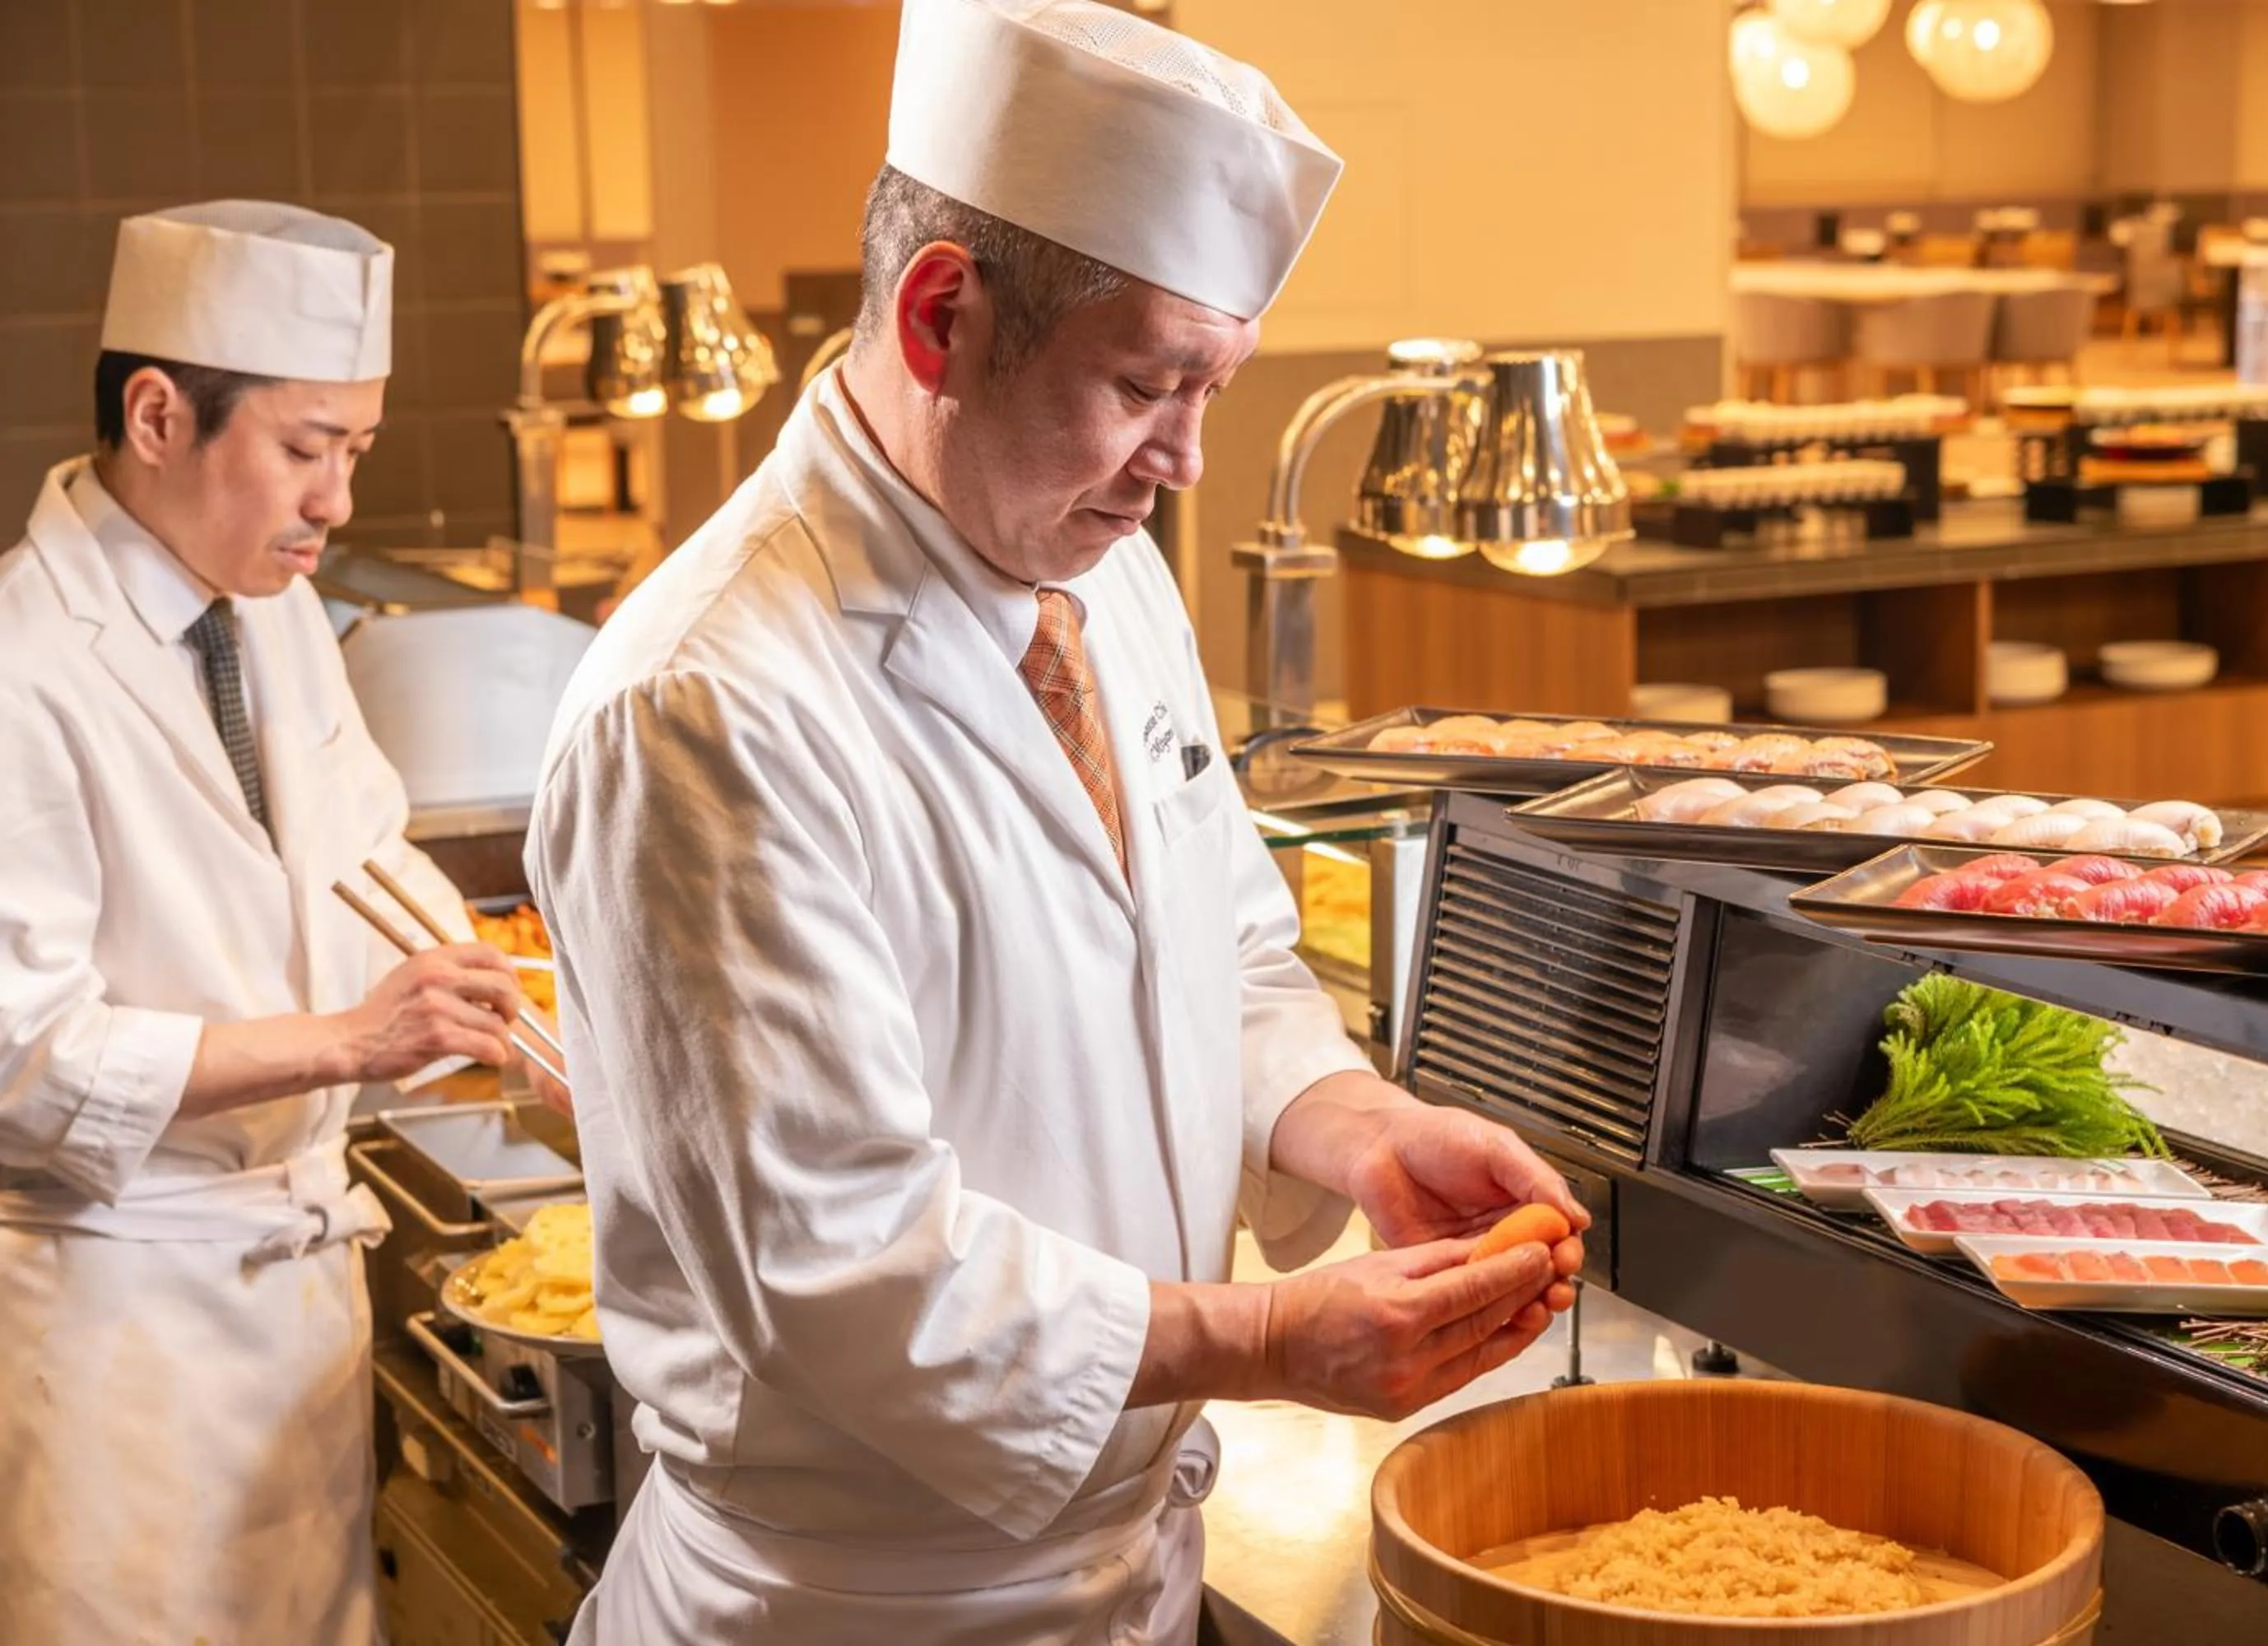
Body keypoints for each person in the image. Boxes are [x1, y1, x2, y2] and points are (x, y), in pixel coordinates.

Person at [527, 3, 1590, 1642]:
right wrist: (1271, 1335)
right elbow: (842, 1269)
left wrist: (1348, 1119)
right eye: (1149, 382)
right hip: (857, 1610)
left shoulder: (1099, 572)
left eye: (1214, 387)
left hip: (1122, 1577)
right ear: (944, 314)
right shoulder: (708, 703)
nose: (1183, 460)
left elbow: (1220, 944)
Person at [0, 200, 534, 1644]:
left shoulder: (271, 617)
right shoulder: (22, 664)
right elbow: (25, 1064)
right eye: (307, 451)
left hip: (298, 1329)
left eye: (352, 453)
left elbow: (366, 858)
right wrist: (350, 1041)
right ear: (160, 415)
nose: (337, 504)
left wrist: (533, 1017)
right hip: (116, 1341)